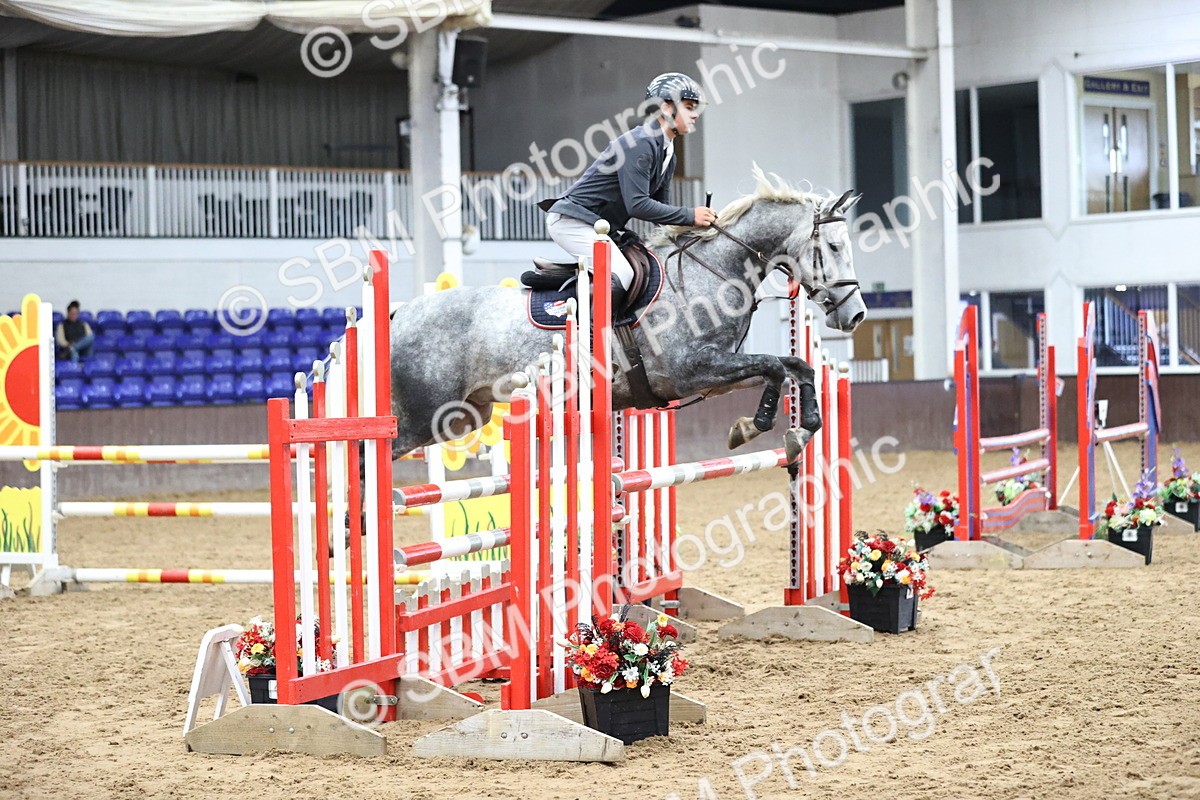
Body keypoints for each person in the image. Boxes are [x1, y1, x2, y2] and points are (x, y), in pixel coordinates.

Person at [539, 72, 719, 310]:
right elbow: (638, 205)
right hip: (572, 221)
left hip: (597, 226)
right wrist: (690, 214)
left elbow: (660, 210)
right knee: (622, 273)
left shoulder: (668, 153)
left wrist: (695, 228)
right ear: (666, 108)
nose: (695, 114)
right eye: (688, 107)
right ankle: (593, 338)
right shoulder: (641, 143)